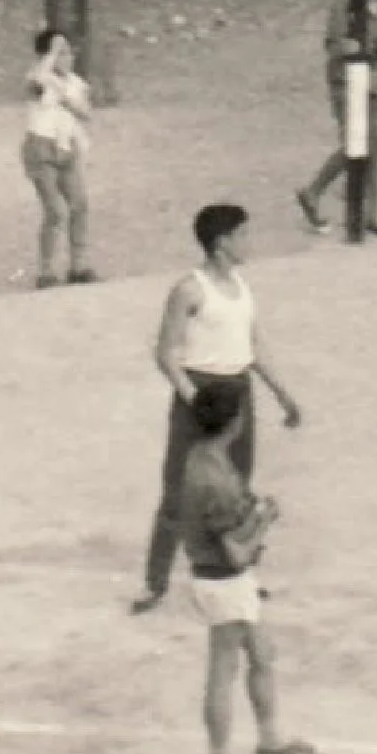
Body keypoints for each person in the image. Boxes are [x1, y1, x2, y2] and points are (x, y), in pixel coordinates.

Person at [134, 205, 306, 615]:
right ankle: (154, 584)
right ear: (221, 242)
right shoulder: (189, 290)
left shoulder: (242, 286)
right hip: (201, 389)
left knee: (238, 487)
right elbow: (166, 353)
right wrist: (195, 400)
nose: (250, 242)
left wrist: (282, 393)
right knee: (177, 492)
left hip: (238, 388)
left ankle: (241, 574)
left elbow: (254, 346)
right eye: (242, 235)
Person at [179, 380, 319, 754]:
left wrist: (253, 515)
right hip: (225, 582)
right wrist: (263, 521)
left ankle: (271, 739)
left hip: (219, 579)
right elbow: (237, 553)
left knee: (261, 653)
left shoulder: (203, 460)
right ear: (234, 422)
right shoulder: (216, 480)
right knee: (223, 668)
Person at [297, 0, 377, 238]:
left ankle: (375, 213)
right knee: (357, 143)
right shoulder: (345, 4)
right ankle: (314, 191)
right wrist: (351, 51)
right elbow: (333, 45)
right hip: (347, 81)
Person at [21, 28, 97, 288]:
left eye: (67, 51)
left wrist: (66, 98)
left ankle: (79, 266)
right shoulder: (39, 79)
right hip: (41, 149)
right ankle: (47, 271)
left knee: (80, 204)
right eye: (59, 52)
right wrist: (50, 56)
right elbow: (36, 82)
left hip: (66, 148)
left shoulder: (76, 84)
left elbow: (86, 113)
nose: (66, 57)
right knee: (55, 211)